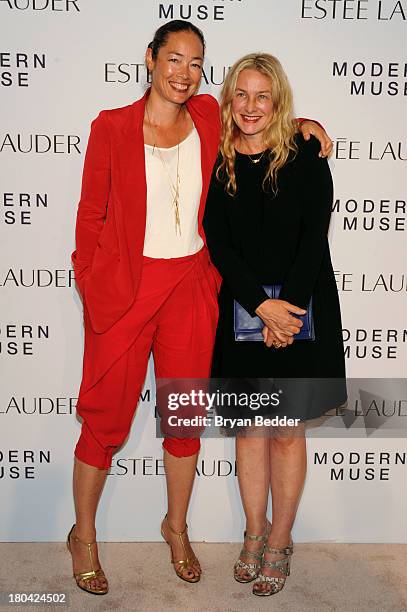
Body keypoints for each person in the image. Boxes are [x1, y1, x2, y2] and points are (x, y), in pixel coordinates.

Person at [69, 20, 332, 594]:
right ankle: (82, 535)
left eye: (195, 63)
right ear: (150, 59)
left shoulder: (210, 117)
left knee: (184, 417)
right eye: (174, 60)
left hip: (191, 286)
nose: (184, 73)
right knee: (105, 418)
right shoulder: (111, 127)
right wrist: (93, 285)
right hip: (128, 290)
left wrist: (308, 124)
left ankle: (176, 528)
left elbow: (265, 116)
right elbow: (90, 218)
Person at [203, 53, 346, 597]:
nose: (251, 106)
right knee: (249, 431)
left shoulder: (307, 152)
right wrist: (259, 307)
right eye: (242, 94)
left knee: (286, 432)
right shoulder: (219, 157)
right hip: (242, 308)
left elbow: (314, 237)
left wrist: (285, 309)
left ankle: (281, 541)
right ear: (229, 99)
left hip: (302, 308)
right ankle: (253, 533)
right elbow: (218, 240)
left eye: (263, 96)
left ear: (279, 99)